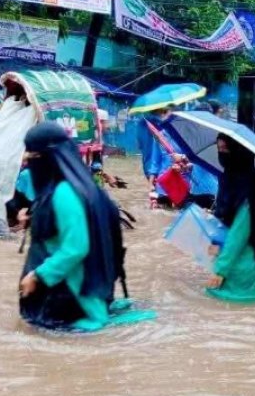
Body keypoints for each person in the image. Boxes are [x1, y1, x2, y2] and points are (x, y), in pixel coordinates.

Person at [18, 122, 154, 332]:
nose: (26, 159)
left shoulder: (64, 192)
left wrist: (37, 276)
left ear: (48, 157)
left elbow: (76, 247)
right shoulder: (76, 186)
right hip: (74, 292)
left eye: (32, 155)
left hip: (72, 299)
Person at [206, 134, 255, 301]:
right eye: (219, 149)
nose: (222, 154)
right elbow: (223, 217)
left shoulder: (250, 185)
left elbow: (239, 233)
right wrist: (215, 242)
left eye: (226, 149)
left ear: (239, 151)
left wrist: (220, 270)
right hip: (227, 260)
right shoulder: (228, 178)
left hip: (244, 264)